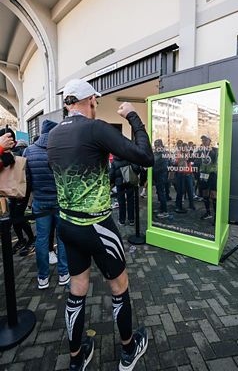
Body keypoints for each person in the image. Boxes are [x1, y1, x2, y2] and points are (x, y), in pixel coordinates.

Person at [47, 78, 154, 371]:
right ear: (90, 101)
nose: (96, 105)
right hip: (97, 226)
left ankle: (76, 358)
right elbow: (146, 157)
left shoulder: (53, 135)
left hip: (67, 225)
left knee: (77, 288)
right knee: (119, 286)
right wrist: (133, 116)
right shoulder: (95, 128)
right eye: (95, 101)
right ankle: (129, 351)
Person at [23, 120, 69, 289]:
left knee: (41, 239)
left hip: (40, 202)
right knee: (62, 238)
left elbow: (27, 180)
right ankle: (64, 273)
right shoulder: (60, 151)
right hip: (59, 202)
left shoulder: (29, 151)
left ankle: (43, 277)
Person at [9, 139, 35, 256]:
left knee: (17, 216)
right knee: (15, 216)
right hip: (18, 189)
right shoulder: (16, 151)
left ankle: (28, 239)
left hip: (17, 189)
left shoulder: (17, 152)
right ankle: (23, 239)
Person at [109, 156, 140, 226]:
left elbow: (111, 174)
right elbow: (136, 168)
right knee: (130, 200)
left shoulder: (114, 161)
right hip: (129, 181)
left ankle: (122, 220)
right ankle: (131, 220)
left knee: (121, 202)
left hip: (119, 183)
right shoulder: (128, 157)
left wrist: (112, 183)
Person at [153, 139, 169, 218]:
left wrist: (153, 170)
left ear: (161, 145)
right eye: (155, 145)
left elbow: (164, 167)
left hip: (161, 176)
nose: (156, 147)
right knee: (159, 193)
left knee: (161, 193)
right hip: (156, 175)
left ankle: (165, 211)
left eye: (157, 145)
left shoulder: (164, 153)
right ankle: (161, 208)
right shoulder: (156, 153)